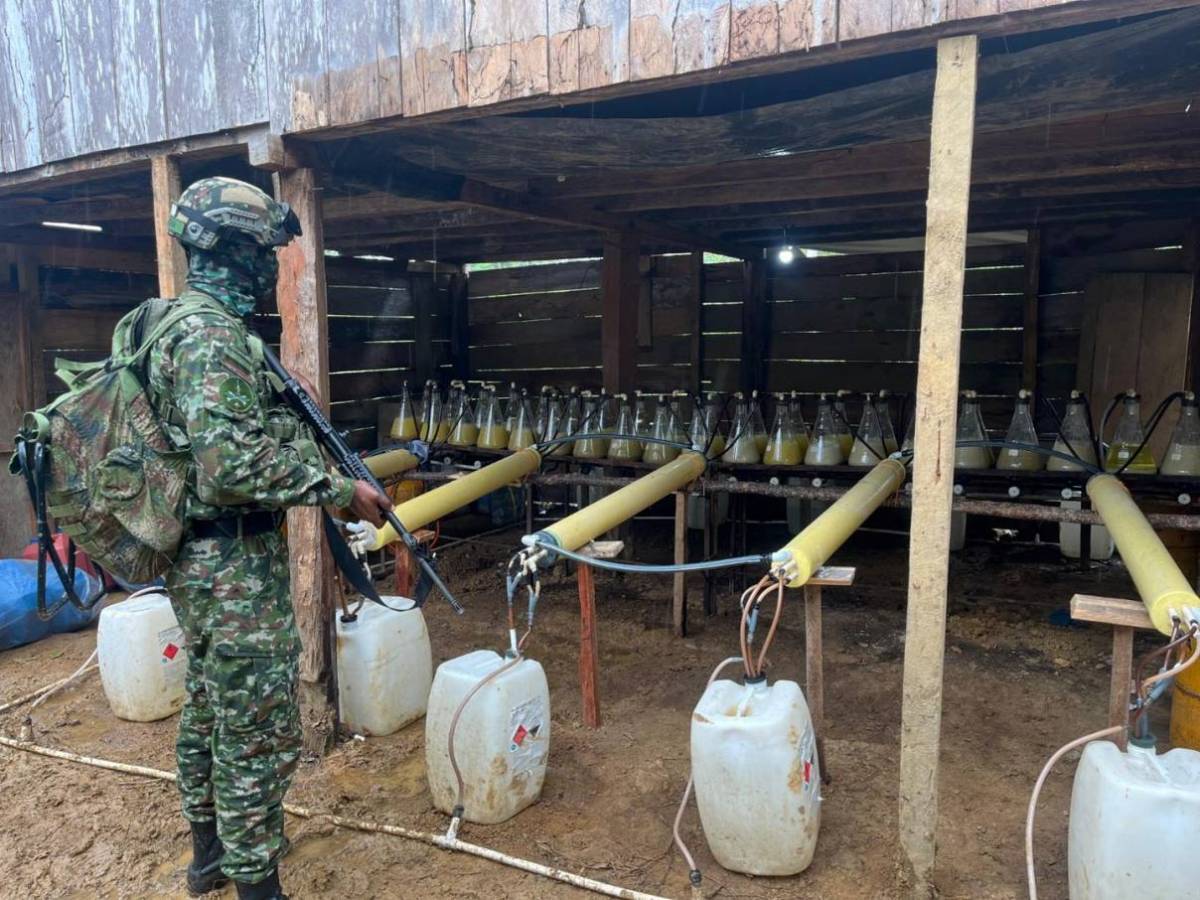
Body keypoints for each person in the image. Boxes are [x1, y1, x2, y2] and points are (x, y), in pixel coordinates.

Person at [147, 176, 391, 899]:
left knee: (209, 704)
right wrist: (340, 490)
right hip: (230, 563)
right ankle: (257, 882)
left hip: (202, 556)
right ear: (231, 250)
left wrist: (290, 417)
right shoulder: (212, 337)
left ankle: (210, 858)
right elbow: (229, 465)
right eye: (263, 253)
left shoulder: (177, 323)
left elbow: (216, 440)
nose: (269, 267)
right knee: (255, 723)